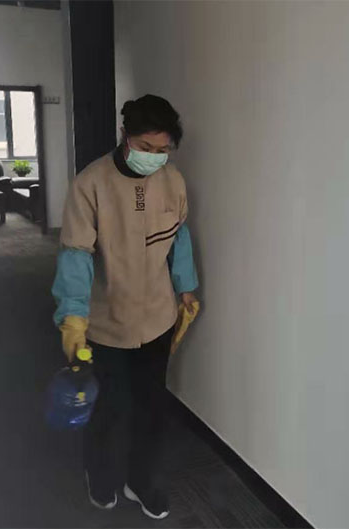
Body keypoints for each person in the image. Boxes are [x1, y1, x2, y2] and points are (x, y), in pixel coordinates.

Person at [51, 94, 199, 520]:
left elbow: (178, 236)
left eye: (162, 150)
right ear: (124, 136)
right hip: (106, 322)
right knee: (108, 407)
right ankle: (99, 475)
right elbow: (76, 254)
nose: (154, 157)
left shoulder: (173, 181)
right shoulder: (90, 185)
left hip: (157, 317)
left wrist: (186, 287)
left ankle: (141, 480)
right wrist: (73, 315)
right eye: (146, 147)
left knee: (152, 408)